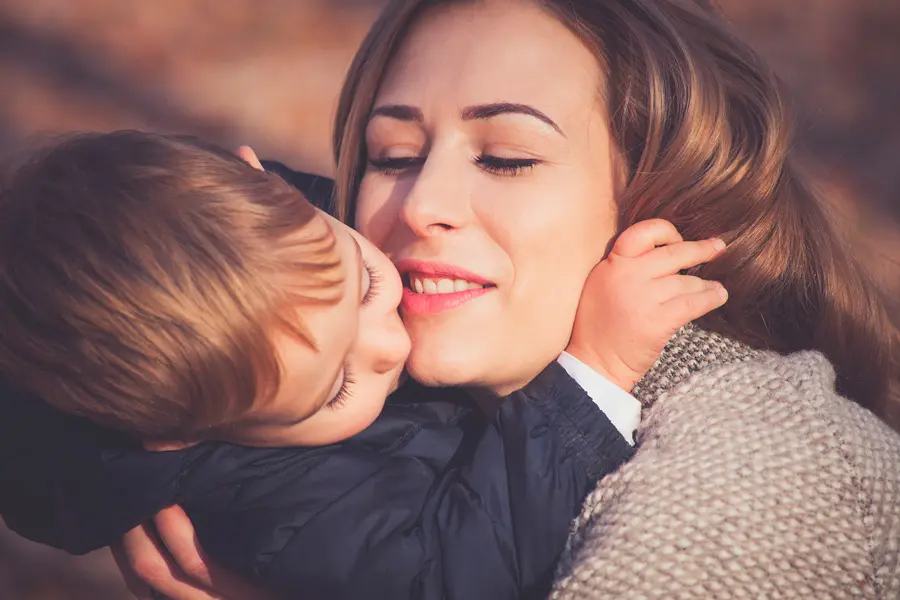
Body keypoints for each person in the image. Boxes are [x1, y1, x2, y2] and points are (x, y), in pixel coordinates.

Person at [107, 0, 900, 598]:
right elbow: (87, 287)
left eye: (509, 158)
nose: (420, 206)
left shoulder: (748, 486)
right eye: (395, 154)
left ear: (666, 210)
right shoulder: (344, 338)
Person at [0, 131, 726, 599]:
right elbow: (465, 575)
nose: (392, 347)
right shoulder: (281, 507)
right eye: (336, 389)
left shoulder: (264, 236)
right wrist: (594, 367)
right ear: (179, 437)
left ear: (267, 185)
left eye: (369, 286)